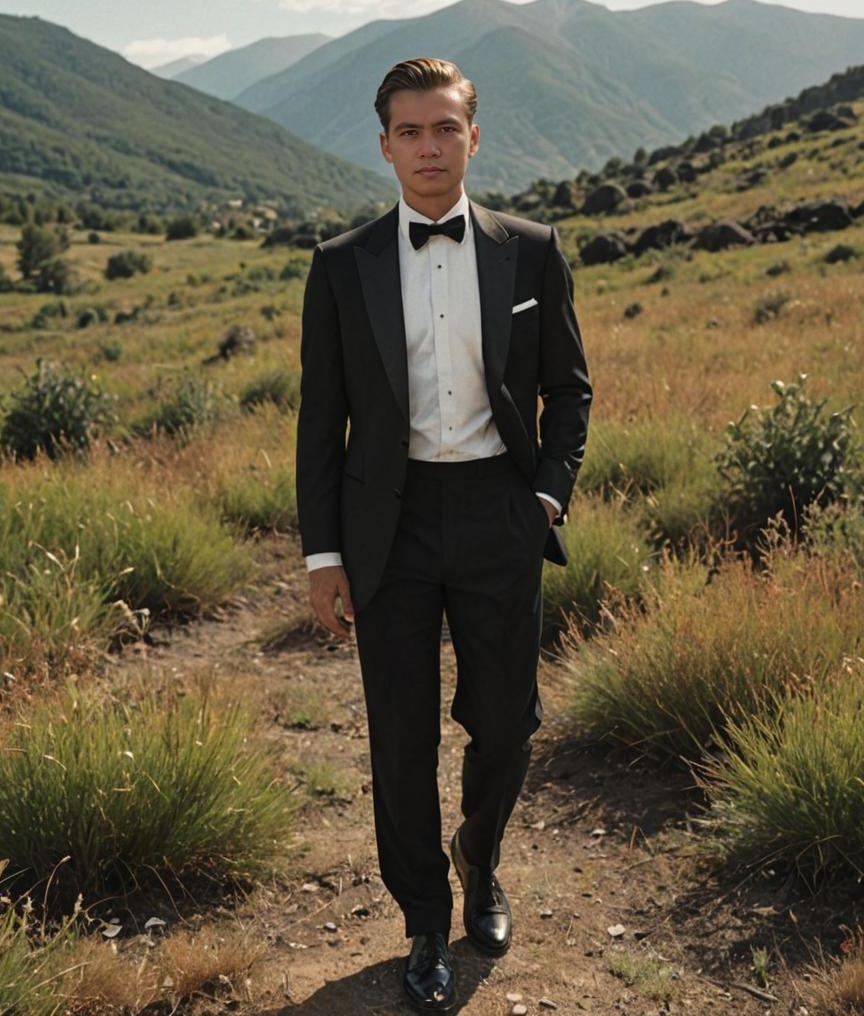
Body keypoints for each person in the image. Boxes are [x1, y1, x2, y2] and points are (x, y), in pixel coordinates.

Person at [295, 56, 591, 1012]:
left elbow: (568, 390)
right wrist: (323, 553)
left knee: (507, 722)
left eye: (446, 128)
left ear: (474, 136)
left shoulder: (532, 249)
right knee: (400, 735)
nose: (430, 148)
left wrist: (545, 497)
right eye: (411, 132)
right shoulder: (342, 266)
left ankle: (481, 856)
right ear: (384, 145)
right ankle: (425, 916)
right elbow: (319, 421)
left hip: (500, 515)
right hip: (389, 527)